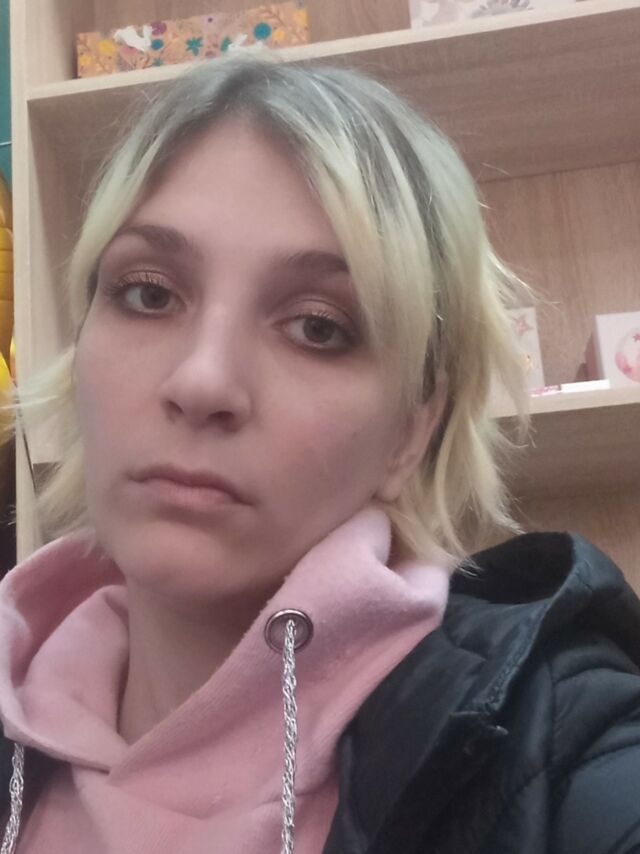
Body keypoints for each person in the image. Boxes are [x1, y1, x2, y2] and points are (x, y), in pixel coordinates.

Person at [0, 51, 638, 854]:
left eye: (317, 327)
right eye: (149, 293)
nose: (202, 381)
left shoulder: (563, 747)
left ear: (412, 429)